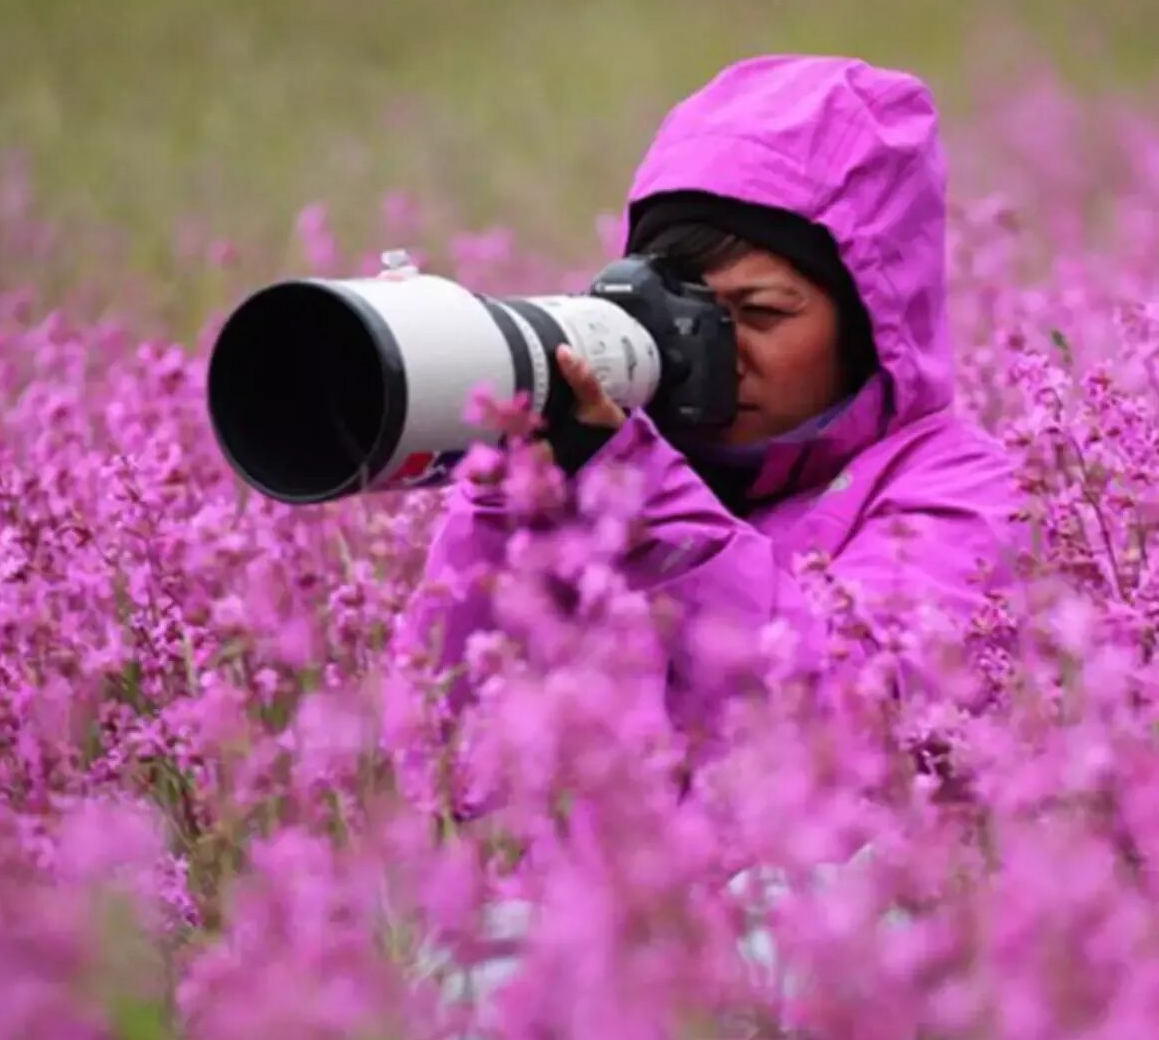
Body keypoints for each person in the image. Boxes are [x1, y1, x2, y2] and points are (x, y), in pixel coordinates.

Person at [392, 54, 1023, 751]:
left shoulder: (964, 492)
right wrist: (506, 507)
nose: (714, 357)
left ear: (872, 325)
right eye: (687, 316)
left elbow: (849, 725)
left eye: (760, 313)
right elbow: (446, 755)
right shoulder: (592, 464)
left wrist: (647, 508)